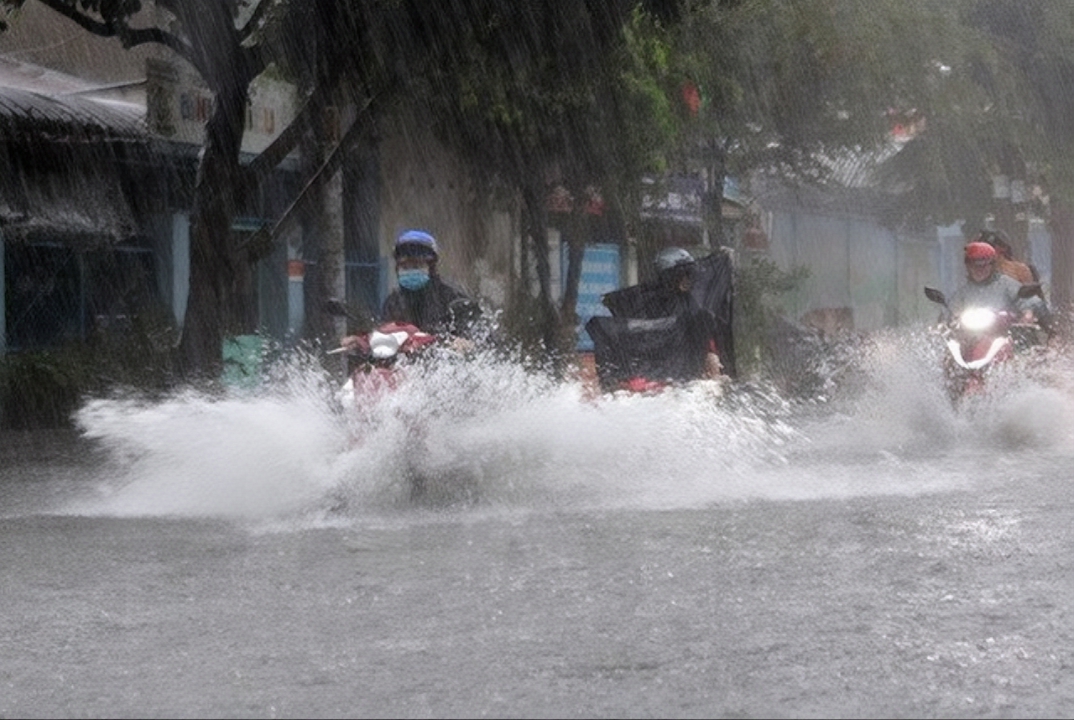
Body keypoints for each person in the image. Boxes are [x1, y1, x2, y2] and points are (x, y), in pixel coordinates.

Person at [341, 229, 478, 351]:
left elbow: (479, 339)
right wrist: (362, 341)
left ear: (431, 268)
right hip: (402, 372)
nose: (410, 270)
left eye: (416, 265)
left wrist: (464, 343)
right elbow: (387, 334)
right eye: (404, 266)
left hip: (445, 371)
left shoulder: (452, 298)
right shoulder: (393, 302)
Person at [642, 247, 723, 380]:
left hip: (665, 377)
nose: (689, 279)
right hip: (678, 378)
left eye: (690, 275)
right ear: (672, 277)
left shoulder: (644, 302)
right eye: (684, 275)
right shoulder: (692, 309)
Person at [946, 241, 1046, 322]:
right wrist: (948, 320)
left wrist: (1028, 311)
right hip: (971, 338)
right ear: (968, 267)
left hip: (1006, 334)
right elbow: (951, 310)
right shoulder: (963, 292)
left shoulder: (1006, 284)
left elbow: (1029, 300)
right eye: (975, 266)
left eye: (984, 265)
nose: (980, 270)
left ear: (992, 265)